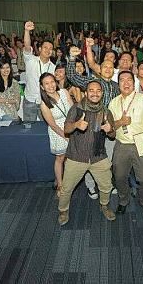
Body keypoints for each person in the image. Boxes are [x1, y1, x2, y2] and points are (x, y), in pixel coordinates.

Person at [58, 80, 116, 225]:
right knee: (66, 189)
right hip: (77, 156)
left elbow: (112, 135)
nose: (95, 93)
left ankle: (104, 205)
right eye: (91, 90)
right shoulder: (76, 109)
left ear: (102, 94)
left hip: (98, 156)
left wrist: (110, 130)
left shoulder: (106, 112)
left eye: (98, 91)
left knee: (106, 186)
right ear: (86, 92)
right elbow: (66, 129)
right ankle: (63, 210)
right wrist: (76, 124)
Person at [67, 45, 119, 199]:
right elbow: (72, 76)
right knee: (87, 157)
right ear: (100, 69)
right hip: (89, 126)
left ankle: (106, 184)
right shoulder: (92, 82)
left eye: (111, 67)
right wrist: (71, 58)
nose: (108, 69)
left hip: (107, 128)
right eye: (105, 67)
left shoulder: (116, 87)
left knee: (106, 160)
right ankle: (90, 187)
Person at [109, 71, 143, 217]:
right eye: (122, 80)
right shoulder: (113, 102)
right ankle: (123, 201)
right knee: (119, 176)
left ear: (133, 82)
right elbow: (111, 126)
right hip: (122, 144)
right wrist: (120, 122)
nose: (126, 83)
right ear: (118, 84)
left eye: (129, 80)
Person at [40, 72, 74, 194]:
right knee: (60, 158)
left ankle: (69, 181)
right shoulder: (44, 104)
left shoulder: (64, 92)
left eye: (52, 82)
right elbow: (53, 125)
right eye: (46, 84)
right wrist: (66, 136)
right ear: (42, 87)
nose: (50, 85)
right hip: (59, 132)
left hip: (71, 126)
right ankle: (60, 184)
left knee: (71, 158)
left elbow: (73, 109)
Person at [22, 21, 56, 122]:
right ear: (40, 49)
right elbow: (27, 47)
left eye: (50, 48)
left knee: (46, 128)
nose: (48, 50)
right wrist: (27, 31)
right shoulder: (30, 60)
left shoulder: (53, 68)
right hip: (30, 100)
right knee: (28, 127)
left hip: (45, 101)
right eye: (45, 47)